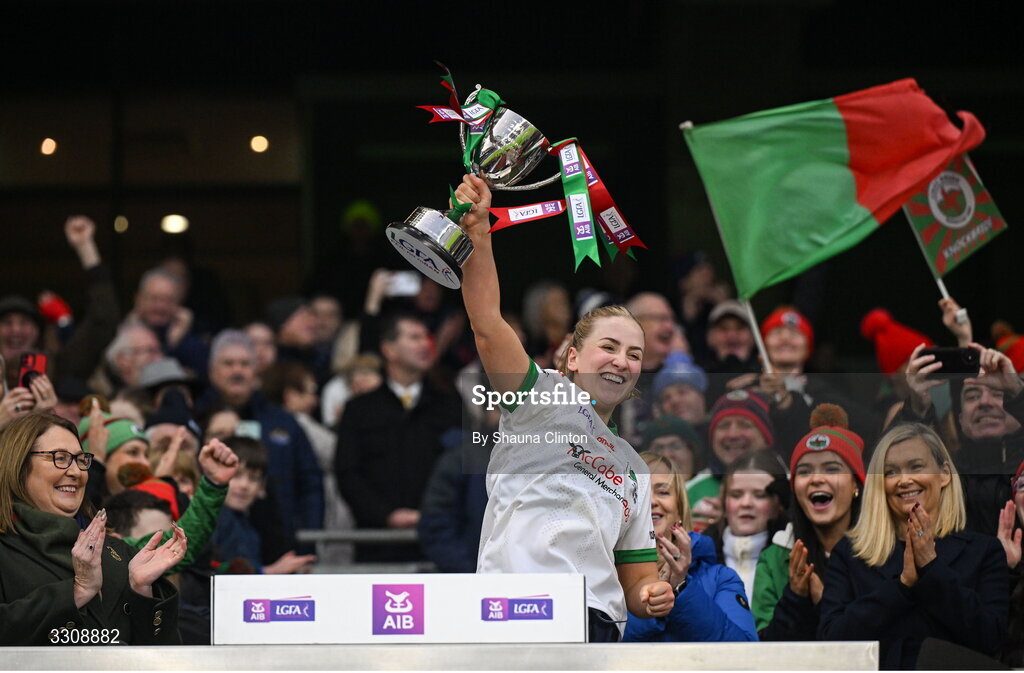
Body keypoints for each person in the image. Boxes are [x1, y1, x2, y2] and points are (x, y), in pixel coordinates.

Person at [454, 173, 673, 642]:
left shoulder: (634, 468)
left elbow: (635, 580)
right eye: (609, 347)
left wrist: (653, 593)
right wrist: (478, 235)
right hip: (514, 609)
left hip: (596, 622)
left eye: (634, 354)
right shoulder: (541, 398)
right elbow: (488, 324)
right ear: (572, 357)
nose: (622, 360)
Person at [818, 423, 1008, 669]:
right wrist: (902, 585)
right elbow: (832, 642)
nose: (904, 480)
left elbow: (990, 639)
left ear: (944, 474)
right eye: (890, 472)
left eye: (916, 467)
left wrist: (931, 566)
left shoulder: (984, 552)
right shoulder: (850, 553)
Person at [0, 413, 185, 645]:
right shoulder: (5, 549)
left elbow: (166, 658)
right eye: (60, 457)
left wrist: (143, 592)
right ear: (19, 465)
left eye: (80, 460)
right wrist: (75, 593)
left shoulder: (119, 553)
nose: (76, 472)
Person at [334, 313, 461, 562]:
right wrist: (386, 514)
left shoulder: (450, 405)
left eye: (427, 337)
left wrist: (436, 514)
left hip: (440, 542)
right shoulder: (359, 409)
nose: (426, 344)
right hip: (377, 543)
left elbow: (464, 470)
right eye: (414, 338)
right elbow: (347, 473)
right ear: (389, 349)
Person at [754, 404, 864, 640]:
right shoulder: (774, 558)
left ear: (856, 485)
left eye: (832, 469)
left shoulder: (884, 552)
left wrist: (826, 604)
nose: (816, 479)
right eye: (804, 472)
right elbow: (763, 650)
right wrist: (795, 598)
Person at [623, 452, 757, 642]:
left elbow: (743, 654)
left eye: (663, 492)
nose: (651, 501)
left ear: (679, 508)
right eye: (639, 492)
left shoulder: (720, 578)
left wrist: (681, 588)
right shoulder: (607, 575)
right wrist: (652, 603)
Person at [902, 340, 1024, 536]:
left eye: (997, 394)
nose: (985, 402)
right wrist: (916, 409)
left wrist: (1017, 388)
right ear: (960, 419)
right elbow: (900, 471)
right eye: (972, 396)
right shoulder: (947, 476)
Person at [212, 436, 316, 574]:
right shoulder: (214, 519)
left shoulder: (250, 527)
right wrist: (269, 571)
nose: (244, 485)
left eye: (253, 479)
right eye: (236, 476)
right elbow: (213, 568)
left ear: (262, 488)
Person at [702, 450, 790, 610]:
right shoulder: (697, 557)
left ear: (779, 505)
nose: (746, 503)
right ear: (724, 501)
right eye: (736, 495)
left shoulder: (794, 558)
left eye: (760, 495)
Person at [686, 389, 775, 529]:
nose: (732, 434)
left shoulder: (790, 486)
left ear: (766, 436)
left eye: (744, 424)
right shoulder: (689, 490)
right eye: (723, 426)